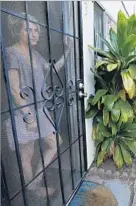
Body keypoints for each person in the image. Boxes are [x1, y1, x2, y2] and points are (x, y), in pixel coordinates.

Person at [4, 13, 71, 196]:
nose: (33, 34)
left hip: (40, 111)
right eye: (28, 29)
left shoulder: (36, 55)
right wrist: (28, 115)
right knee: (27, 154)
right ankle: (32, 190)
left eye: (36, 30)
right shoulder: (11, 52)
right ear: (19, 31)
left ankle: (35, 182)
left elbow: (53, 69)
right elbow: (14, 88)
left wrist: (68, 51)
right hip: (24, 113)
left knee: (55, 143)